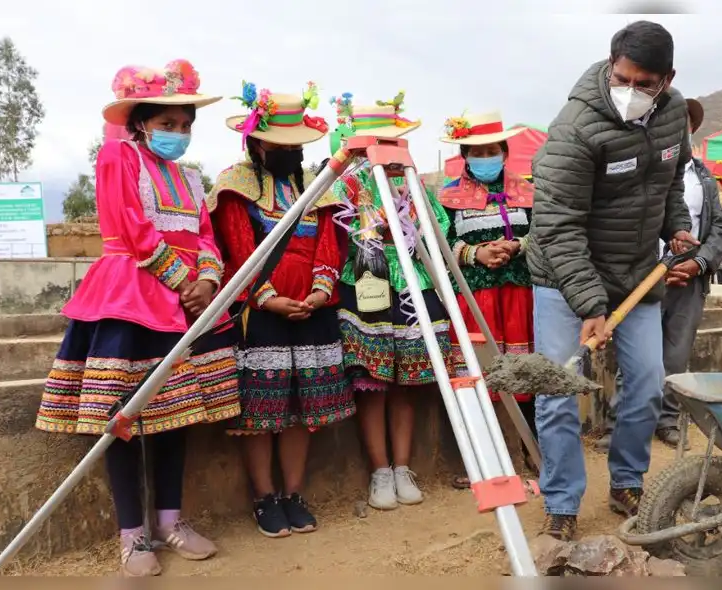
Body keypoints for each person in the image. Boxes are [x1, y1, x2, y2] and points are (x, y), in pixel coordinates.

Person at [34, 60, 239, 577]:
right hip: (131, 299)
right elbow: (131, 228)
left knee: (175, 417)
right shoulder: (118, 158)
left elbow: (206, 237)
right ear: (142, 123)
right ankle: (132, 534)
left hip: (184, 304)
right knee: (122, 420)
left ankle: (171, 521)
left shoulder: (191, 179)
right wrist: (182, 281)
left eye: (186, 126)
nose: (179, 134)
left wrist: (209, 283)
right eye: (168, 124)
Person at [527, 20, 698, 541]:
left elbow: (671, 181)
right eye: (624, 78)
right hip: (563, 278)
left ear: (667, 80)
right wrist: (589, 304)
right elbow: (557, 225)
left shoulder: (673, 116)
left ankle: (626, 482)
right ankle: (561, 500)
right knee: (558, 392)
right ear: (610, 63)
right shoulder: (576, 127)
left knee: (647, 384)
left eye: (645, 84)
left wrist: (679, 228)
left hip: (635, 277)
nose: (632, 92)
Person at [209, 82, 354, 538]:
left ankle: (293, 492)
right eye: (279, 144)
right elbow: (238, 246)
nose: (289, 152)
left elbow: (331, 243)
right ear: (256, 142)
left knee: (297, 409)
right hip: (261, 313)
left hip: (313, 308)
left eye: (295, 145)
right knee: (259, 413)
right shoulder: (236, 186)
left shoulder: (318, 187)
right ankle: (264, 496)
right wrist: (267, 296)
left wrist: (319, 291)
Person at [328, 91, 456, 511]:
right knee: (373, 384)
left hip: (414, 284)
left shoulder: (413, 180)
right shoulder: (347, 181)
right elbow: (339, 233)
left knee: (408, 383)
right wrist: (374, 231)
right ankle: (380, 471)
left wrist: (409, 228)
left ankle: (402, 467)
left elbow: (435, 226)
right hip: (368, 286)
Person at [597, 98, 722, 452]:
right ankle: (618, 425)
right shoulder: (642, 168)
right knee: (635, 356)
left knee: (675, 355)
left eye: (683, 124)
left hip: (690, 278)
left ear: (691, 132)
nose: (677, 129)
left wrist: (699, 263)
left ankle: (667, 420)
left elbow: (719, 227)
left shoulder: (704, 178)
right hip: (644, 277)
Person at [438, 111, 539, 489]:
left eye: (491, 150)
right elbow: (439, 243)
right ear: (464, 154)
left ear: (504, 151)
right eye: (477, 152)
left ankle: (533, 451)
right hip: (475, 300)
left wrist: (516, 245)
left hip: (520, 297)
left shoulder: (527, 191)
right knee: (478, 376)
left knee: (525, 372)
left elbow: (544, 233)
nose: (485, 157)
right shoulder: (447, 197)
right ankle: (483, 458)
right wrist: (475, 254)